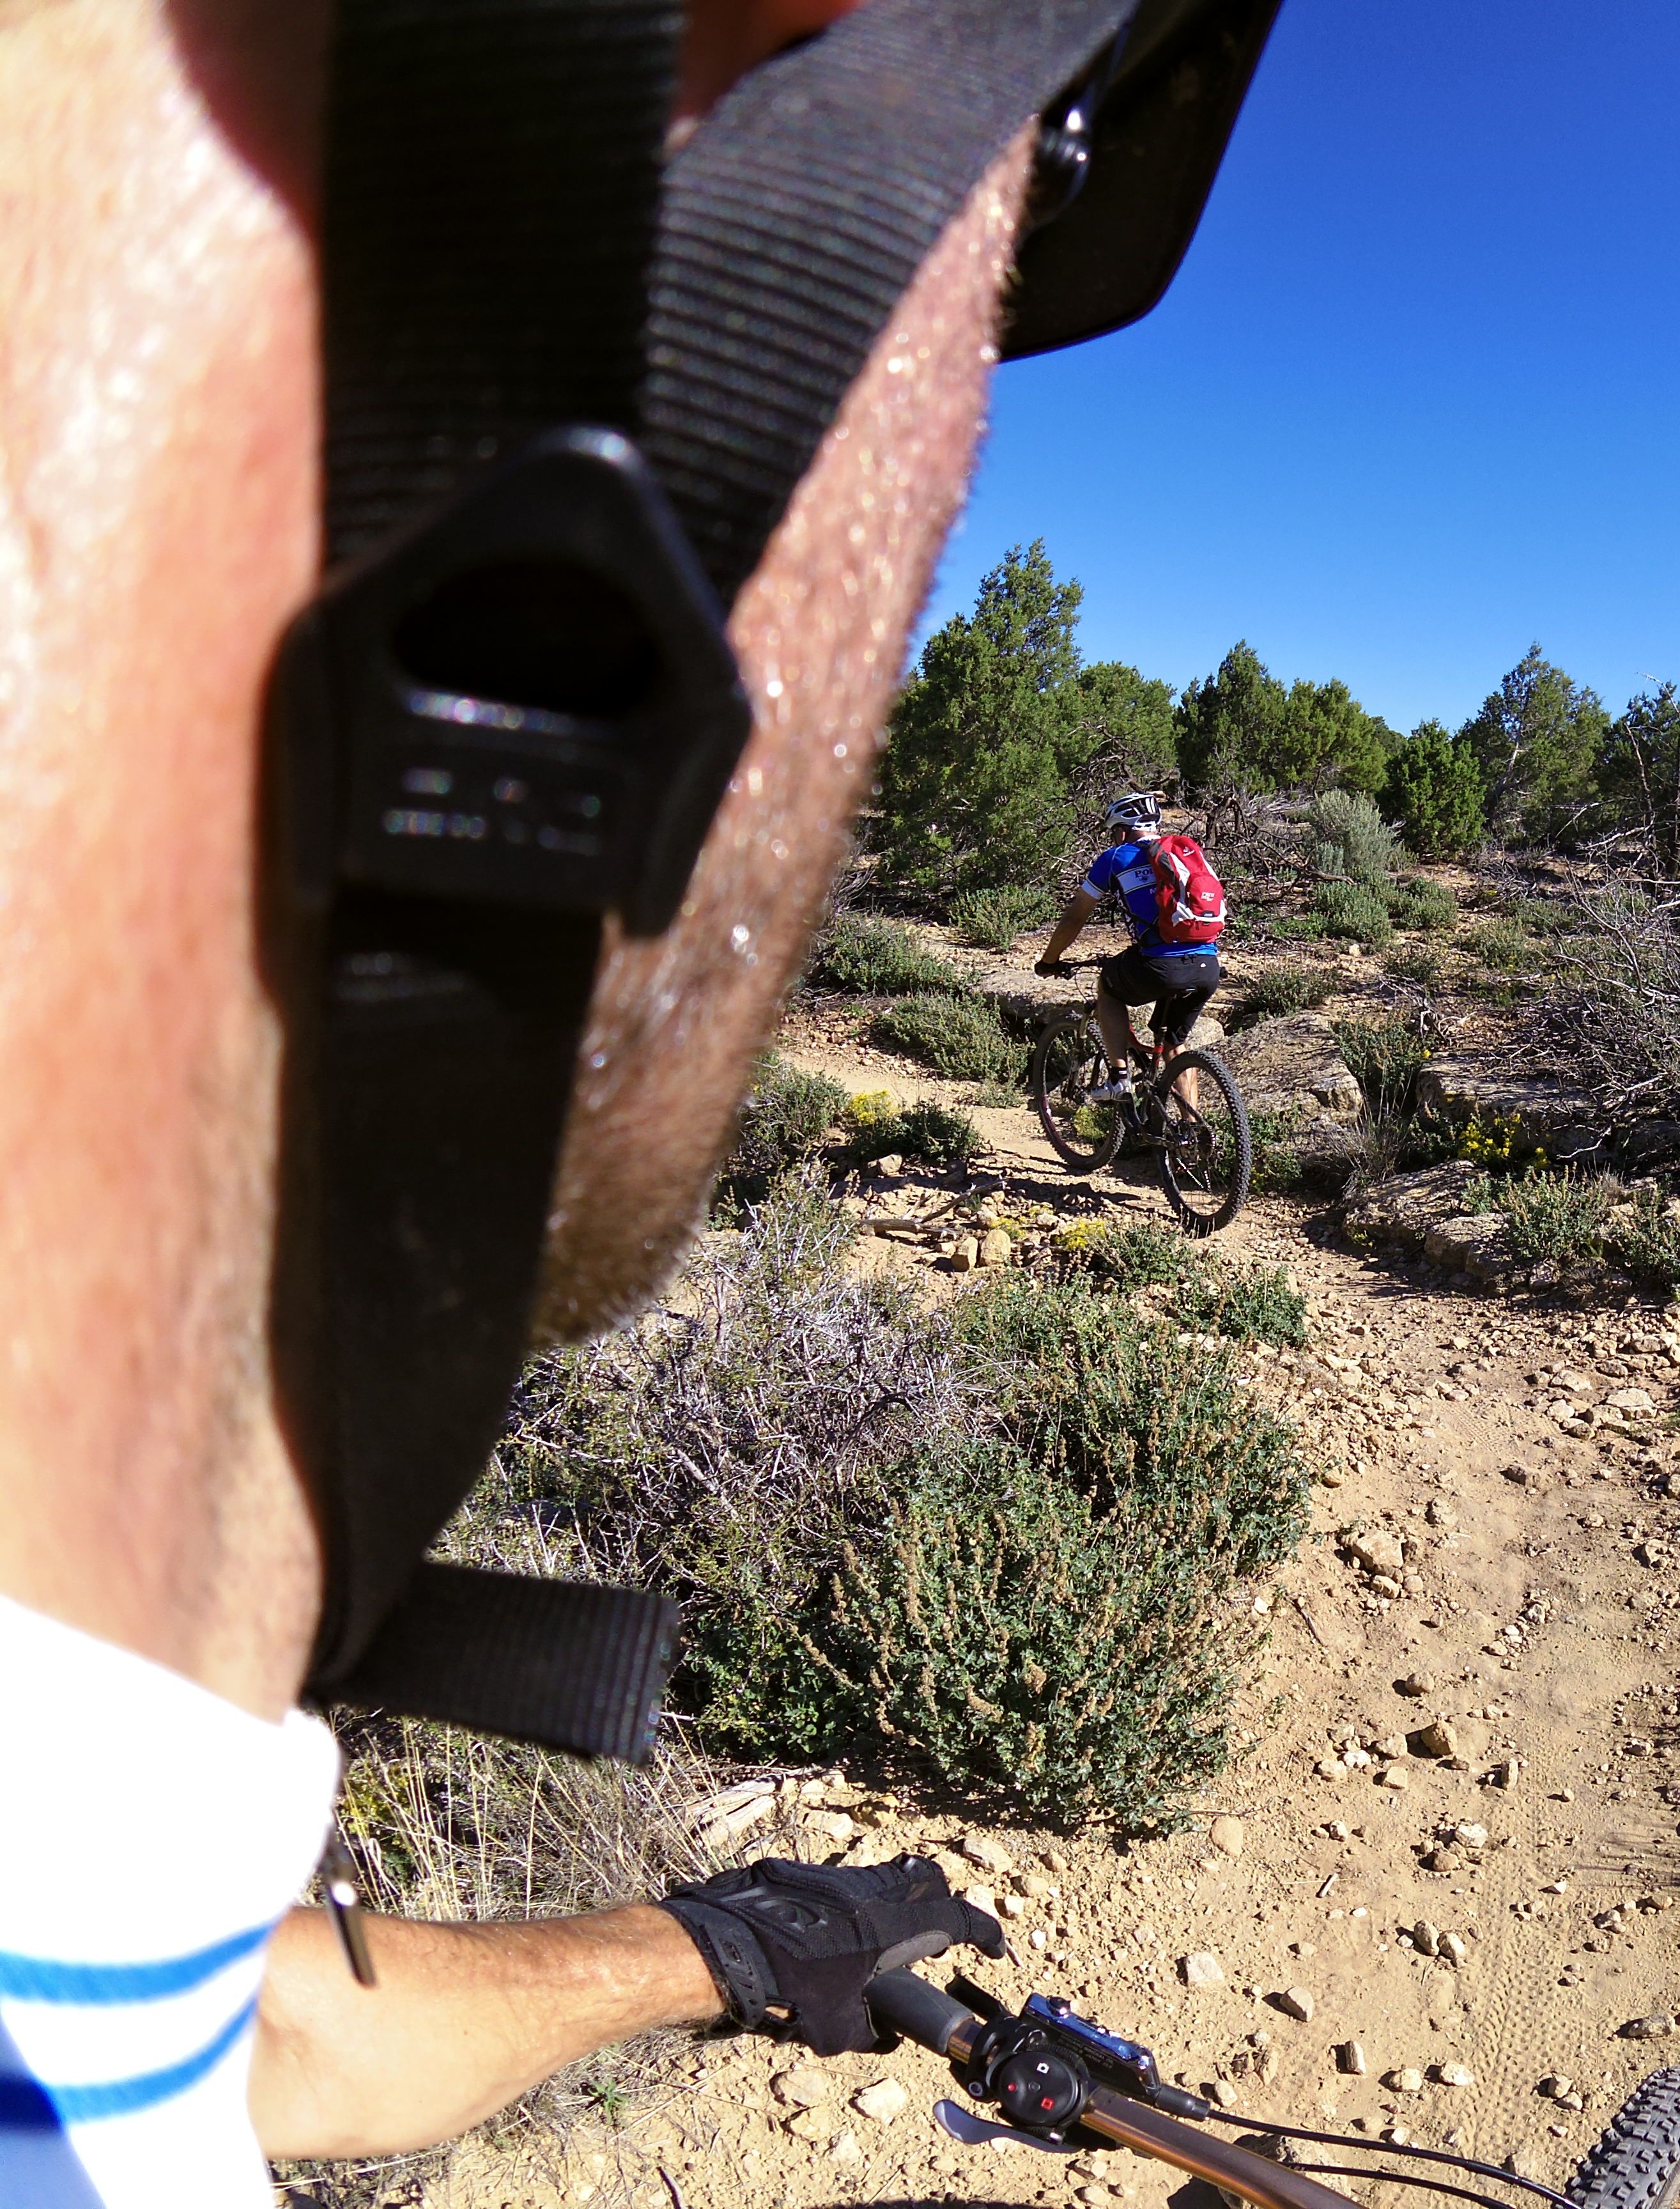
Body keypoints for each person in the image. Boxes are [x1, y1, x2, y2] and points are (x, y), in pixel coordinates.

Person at [0, 1, 1274, 2201]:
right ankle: (1167, 1095)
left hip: (1142, 963)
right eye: (1044, 206)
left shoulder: (71, 1866)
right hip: (1203, 976)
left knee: (1110, 1015)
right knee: (1148, 1027)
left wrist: (704, 1946)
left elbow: (240, 2017)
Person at [1033, 791, 1230, 1101]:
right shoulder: (1186, 854)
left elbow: (1075, 917)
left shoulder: (1116, 857)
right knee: (1175, 1045)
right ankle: (1190, 1125)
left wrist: (1050, 960)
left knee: (1108, 987)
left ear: (1123, 831)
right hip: (1207, 965)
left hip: (1160, 966)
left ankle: (1119, 1079)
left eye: (1114, 832)